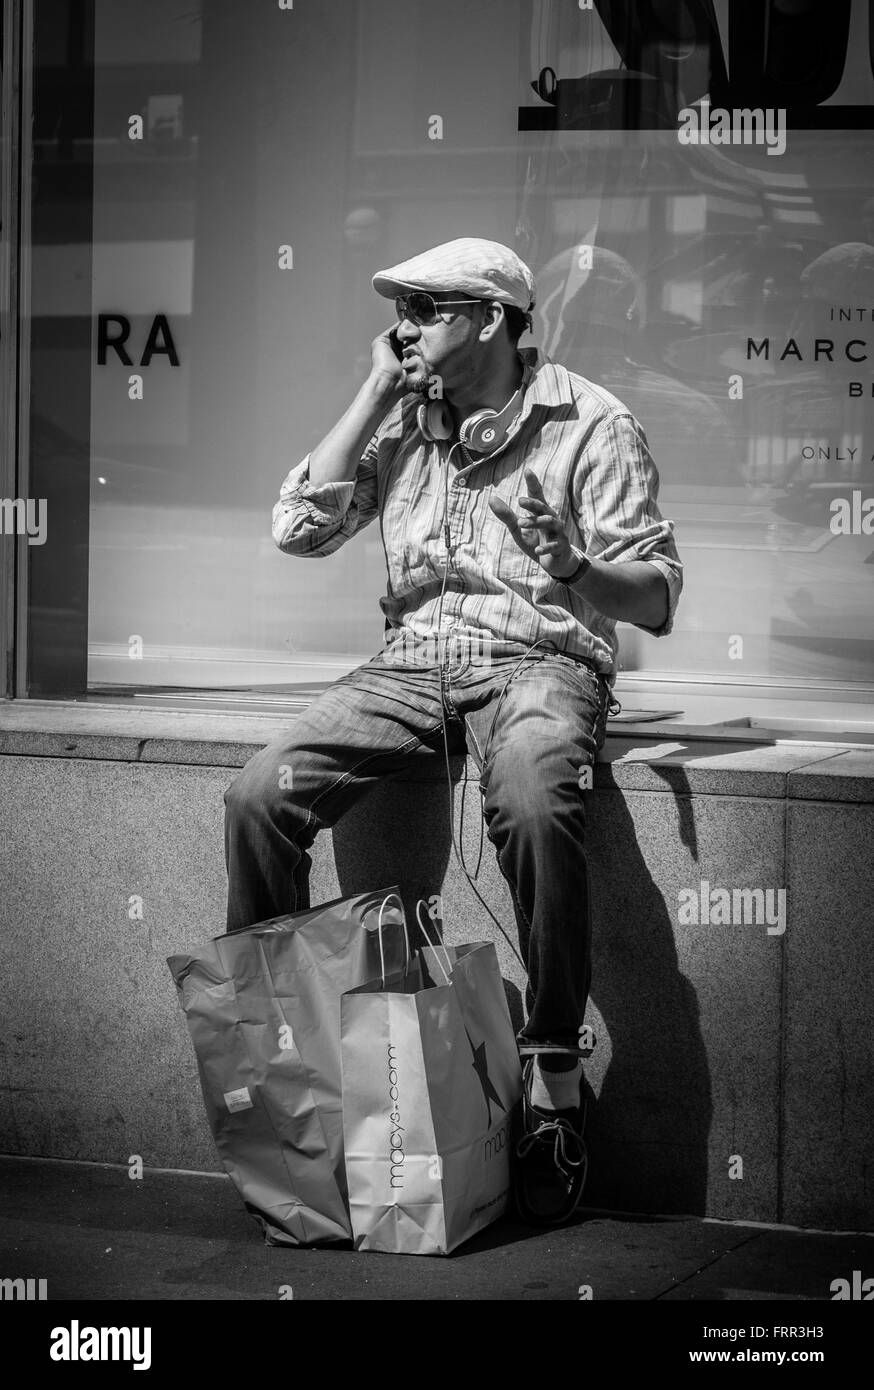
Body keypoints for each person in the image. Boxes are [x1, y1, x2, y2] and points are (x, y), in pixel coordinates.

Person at [223, 237, 683, 1227]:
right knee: (261, 793)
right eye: (400, 310)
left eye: (425, 309)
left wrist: (576, 571)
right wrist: (371, 394)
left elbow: (652, 596)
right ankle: (284, 1050)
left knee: (526, 790)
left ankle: (552, 1062)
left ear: (488, 320)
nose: (403, 326)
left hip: (541, 659)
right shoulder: (407, 420)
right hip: (413, 663)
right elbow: (297, 528)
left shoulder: (590, 422)